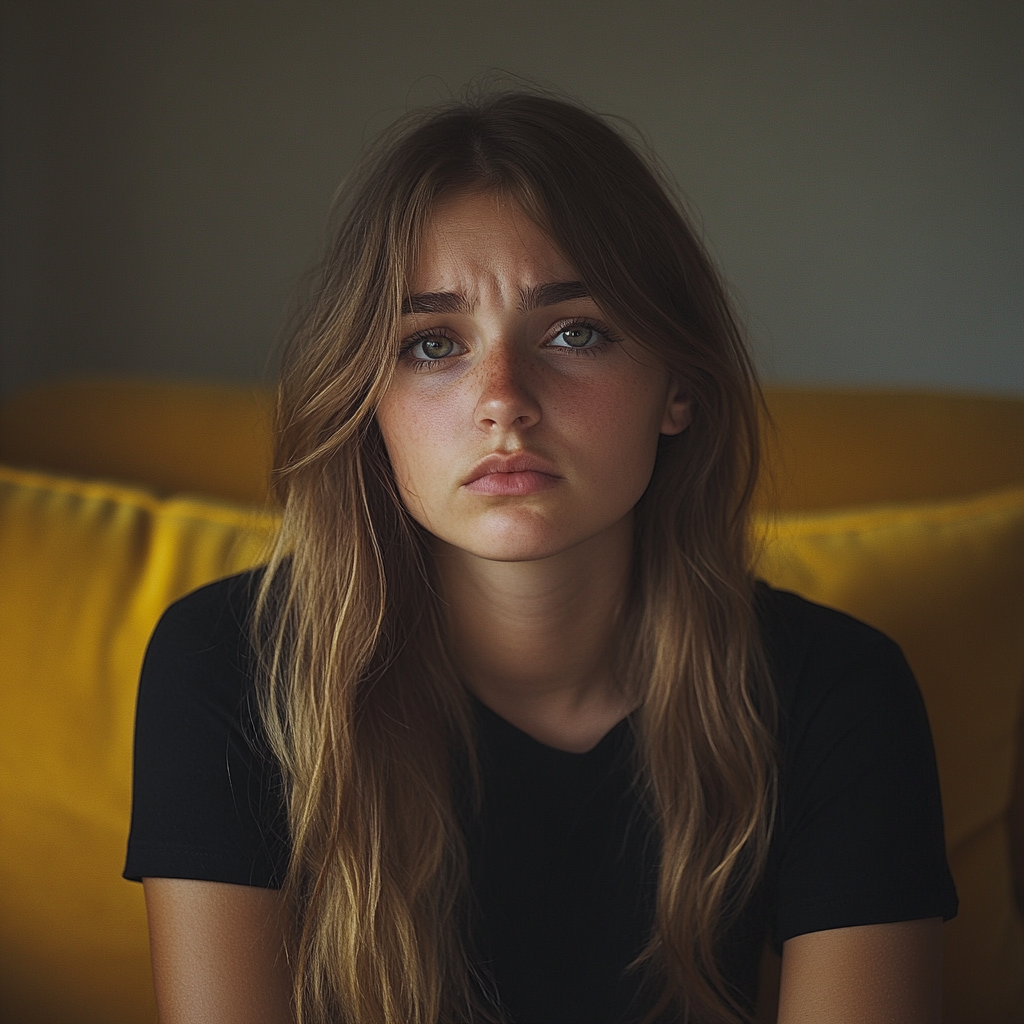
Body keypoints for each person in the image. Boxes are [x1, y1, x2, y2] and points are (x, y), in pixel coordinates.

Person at [124, 90, 957, 1024]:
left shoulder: (838, 692)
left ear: (677, 385)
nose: (502, 400)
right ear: (368, 402)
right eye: (432, 344)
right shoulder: (227, 668)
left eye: (575, 332)